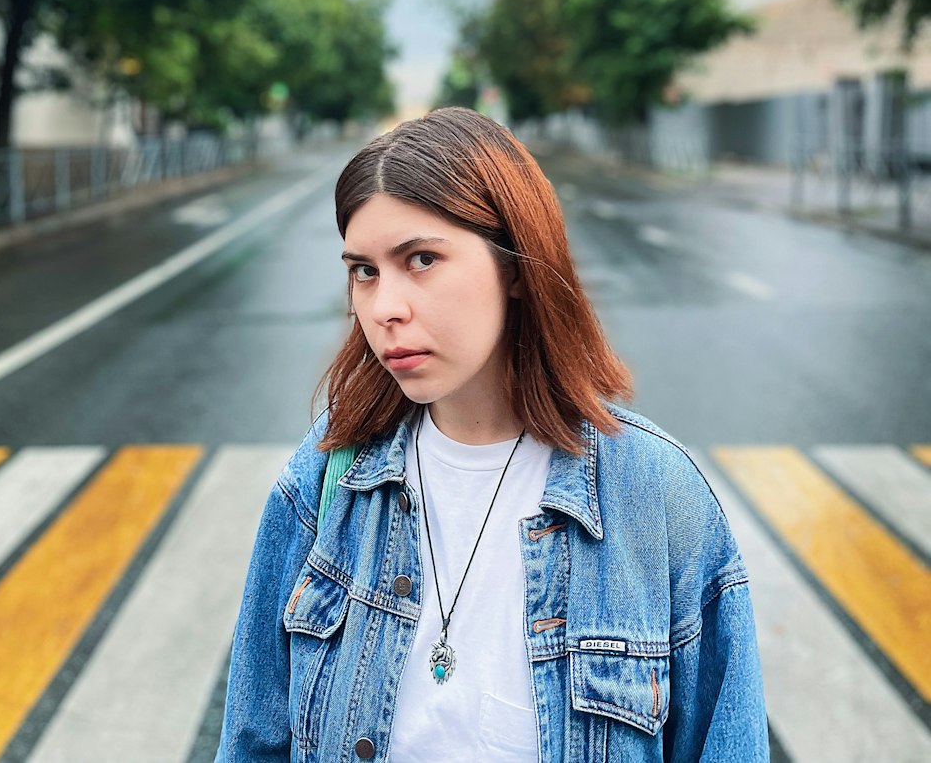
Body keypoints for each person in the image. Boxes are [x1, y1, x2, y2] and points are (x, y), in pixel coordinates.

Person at [214, 107, 769, 762]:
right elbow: (252, 744)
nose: (385, 306)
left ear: (514, 264)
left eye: (420, 258)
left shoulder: (656, 498)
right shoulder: (324, 481)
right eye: (364, 270)